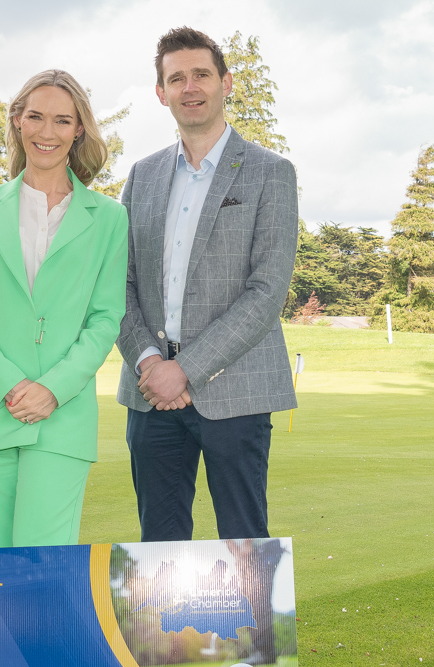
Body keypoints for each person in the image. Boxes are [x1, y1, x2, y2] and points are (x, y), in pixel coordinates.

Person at [116, 27, 299, 541]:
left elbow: (266, 294)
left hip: (235, 392)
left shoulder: (271, 173)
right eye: (177, 78)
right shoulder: (141, 176)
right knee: (159, 545)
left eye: (201, 74)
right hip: (150, 392)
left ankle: (246, 630)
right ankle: (164, 630)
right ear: (161, 93)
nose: (190, 87)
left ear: (226, 83)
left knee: (243, 542)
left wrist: (186, 370)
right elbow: (119, 285)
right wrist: (152, 363)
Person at [0, 69, 130, 546]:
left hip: (62, 416)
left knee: (43, 566)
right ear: (17, 121)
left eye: (63, 121)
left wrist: (52, 389)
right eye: (37, 117)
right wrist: (10, 385)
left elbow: (105, 317)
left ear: (79, 129)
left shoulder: (108, 218)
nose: (48, 132)